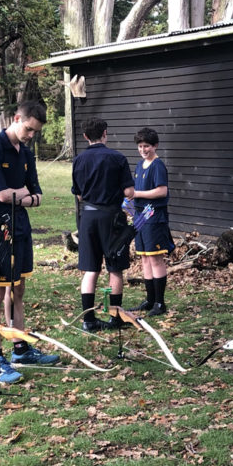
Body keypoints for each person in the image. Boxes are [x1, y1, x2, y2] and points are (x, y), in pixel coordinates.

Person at [0, 101, 60, 383]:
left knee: (19, 288)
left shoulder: (26, 152)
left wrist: (22, 195)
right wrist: (21, 194)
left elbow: (37, 194)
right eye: (28, 129)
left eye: (35, 132)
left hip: (21, 227)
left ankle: (20, 348)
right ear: (16, 119)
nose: (31, 136)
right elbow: (0, 195)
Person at [71, 118, 136, 331]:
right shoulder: (117, 158)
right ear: (105, 134)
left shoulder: (79, 160)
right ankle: (114, 317)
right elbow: (129, 192)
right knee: (115, 268)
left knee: (91, 270)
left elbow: (79, 195)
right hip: (112, 218)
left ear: (85, 136)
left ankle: (88, 320)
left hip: (88, 218)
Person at [131, 127, 175, 315]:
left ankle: (160, 303)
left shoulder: (158, 166)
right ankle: (149, 300)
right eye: (140, 146)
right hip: (140, 215)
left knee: (155, 258)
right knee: (144, 257)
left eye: (147, 146)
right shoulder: (139, 166)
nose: (143, 150)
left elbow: (161, 191)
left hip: (154, 215)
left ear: (155, 146)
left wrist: (137, 194)